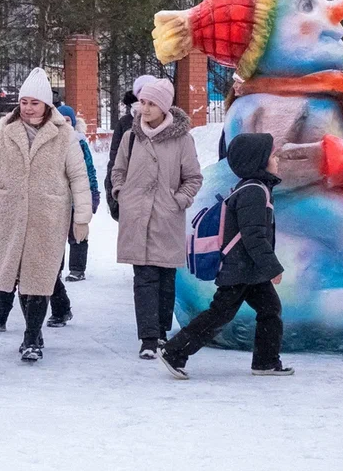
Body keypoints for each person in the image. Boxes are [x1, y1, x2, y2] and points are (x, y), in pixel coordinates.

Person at [0, 67, 93, 363]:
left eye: (34, 103)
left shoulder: (64, 136)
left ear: (47, 104)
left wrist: (82, 218)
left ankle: (32, 338)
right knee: (11, 272)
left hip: (48, 216)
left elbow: (79, 176)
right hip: (12, 216)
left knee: (39, 277)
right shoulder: (5, 128)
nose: (27, 108)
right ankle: (23, 328)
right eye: (24, 101)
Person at [160, 133, 293, 379]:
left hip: (248, 269)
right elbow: (253, 236)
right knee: (220, 314)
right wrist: (272, 267)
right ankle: (174, 351)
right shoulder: (254, 191)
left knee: (270, 309)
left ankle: (266, 362)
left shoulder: (254, 188)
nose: (277, 160)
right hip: (241, 268)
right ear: (259, 160)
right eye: (272, 155)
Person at [110, 77, 203, 360]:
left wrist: (180, 200)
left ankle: (162, 330)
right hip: (136, 216)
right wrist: (121, 193)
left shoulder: (182, 140)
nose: (145, 108)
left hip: (166, 217)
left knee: (165, 276)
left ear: (164, 107)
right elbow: (118, 170)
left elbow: (193, 177)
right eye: (143, 102)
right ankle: (148, 338)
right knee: (144, 276)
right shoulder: (131, 136)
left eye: (151, 104)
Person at [47, 105, 101, 327]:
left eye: (68, 121)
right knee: (55, 240)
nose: (65, 125)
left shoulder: (78, 142)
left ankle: (77, 268)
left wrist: (93, 195)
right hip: (57, 201)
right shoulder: (52, 143)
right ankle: (56, 268)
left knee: (77, 235)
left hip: (76, 198)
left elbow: (88, 171)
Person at [105, 75, 155, 219]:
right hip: (131, 202)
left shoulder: (169, 126)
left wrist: (178, 199)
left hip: (161, 205)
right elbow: (115, 164)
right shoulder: (125, 124)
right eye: (141, 96)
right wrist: (115, 198)